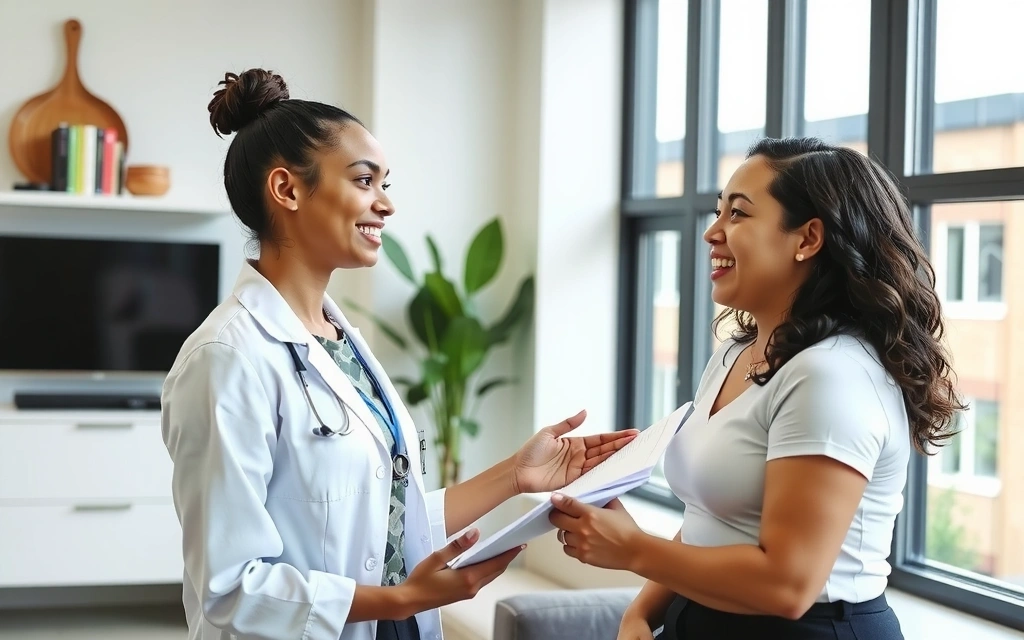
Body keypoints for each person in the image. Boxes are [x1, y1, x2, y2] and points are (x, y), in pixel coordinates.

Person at [160, 68, 638, 640]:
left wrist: (516, 475)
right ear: (287, 190)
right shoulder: (226, 358)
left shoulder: (340, 340)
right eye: (365, 181)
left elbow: (384, 523)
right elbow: (232, 587)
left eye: (386, 184)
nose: (385, 205)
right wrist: (401, 599)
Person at [548, 137, 964, 639]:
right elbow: (714, 517)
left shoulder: (832, 376)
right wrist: (643, 611)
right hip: (704, 615)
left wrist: (635, 550)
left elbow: (787, 587)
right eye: (718, 210)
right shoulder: (735, 353)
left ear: (807, 239)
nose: (712, 232)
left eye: (739, 215)